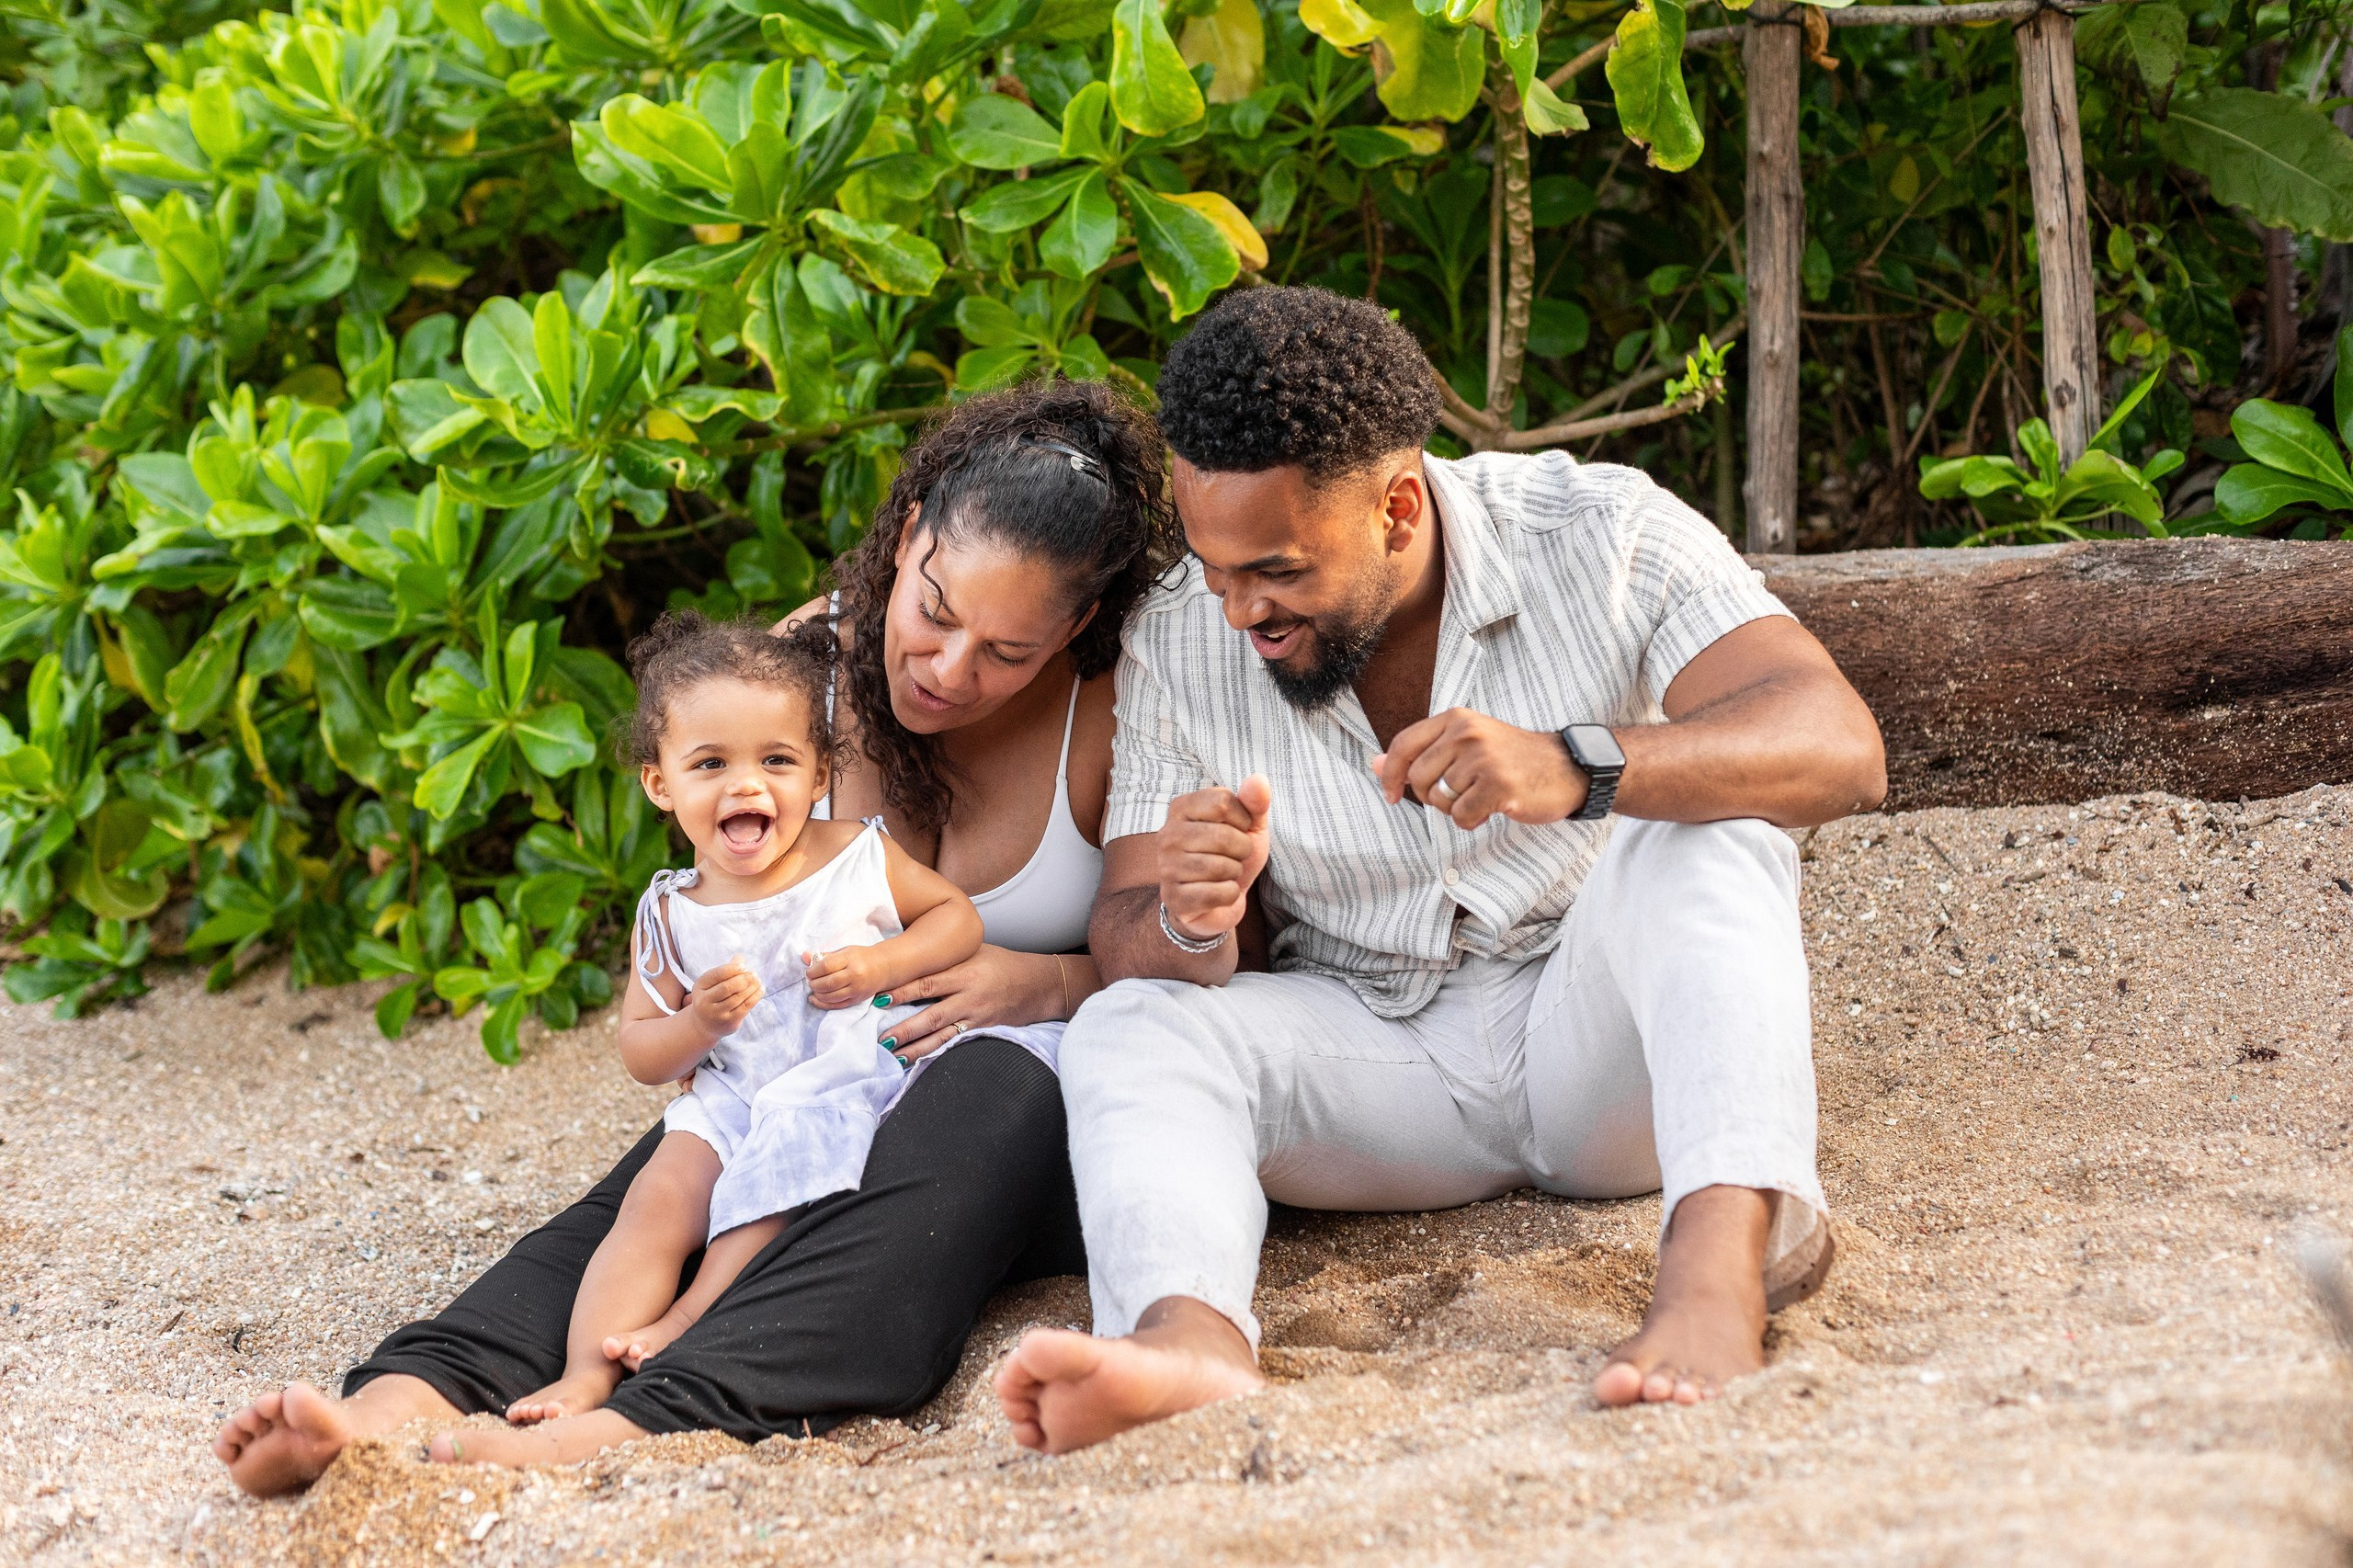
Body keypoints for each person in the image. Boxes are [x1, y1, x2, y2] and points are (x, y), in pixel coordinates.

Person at [213, 379, 1176, 1491]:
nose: (951, 669)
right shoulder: (792, 677)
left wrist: (1042, 981)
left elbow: (1198, 954)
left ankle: (655, 1411)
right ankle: (398, 1399)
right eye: (935, 610)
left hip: (1007, 1119)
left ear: (1078, 625)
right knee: (679, 1173)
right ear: (909, 536)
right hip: (812, 1068)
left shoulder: (1120, 705)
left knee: (979, 1096)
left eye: (1008, 651)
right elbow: (718, 910)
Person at [995, 287, 1888, 1454]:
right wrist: (1193, 915)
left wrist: (1579, 764)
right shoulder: (1180, 630)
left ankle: (1713, 1283)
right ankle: (1189, 1339)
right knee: (1133, 1025)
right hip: (1378, 1063)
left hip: (1603, 1046)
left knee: (1713, 833)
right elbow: (1127, 940)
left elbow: (1838, 744)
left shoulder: (1598, 529)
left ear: (1399, 504)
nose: (1236, 609)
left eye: (1273, 570)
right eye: (1213, 568)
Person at [502, 611, 984, 1428]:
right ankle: (587, 1373)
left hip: (840, 1075)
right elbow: (642, 1051)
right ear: (661, 784)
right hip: (733, 1092)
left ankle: (684, 1324)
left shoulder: (852, 856)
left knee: (768, 1192)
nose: (747, 785)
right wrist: (694, 1026)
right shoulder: (669, 913)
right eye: (710, 763)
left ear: (821, 770)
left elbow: (957, 920)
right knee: (655, 1202)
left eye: (777, 760)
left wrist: (881, 965)